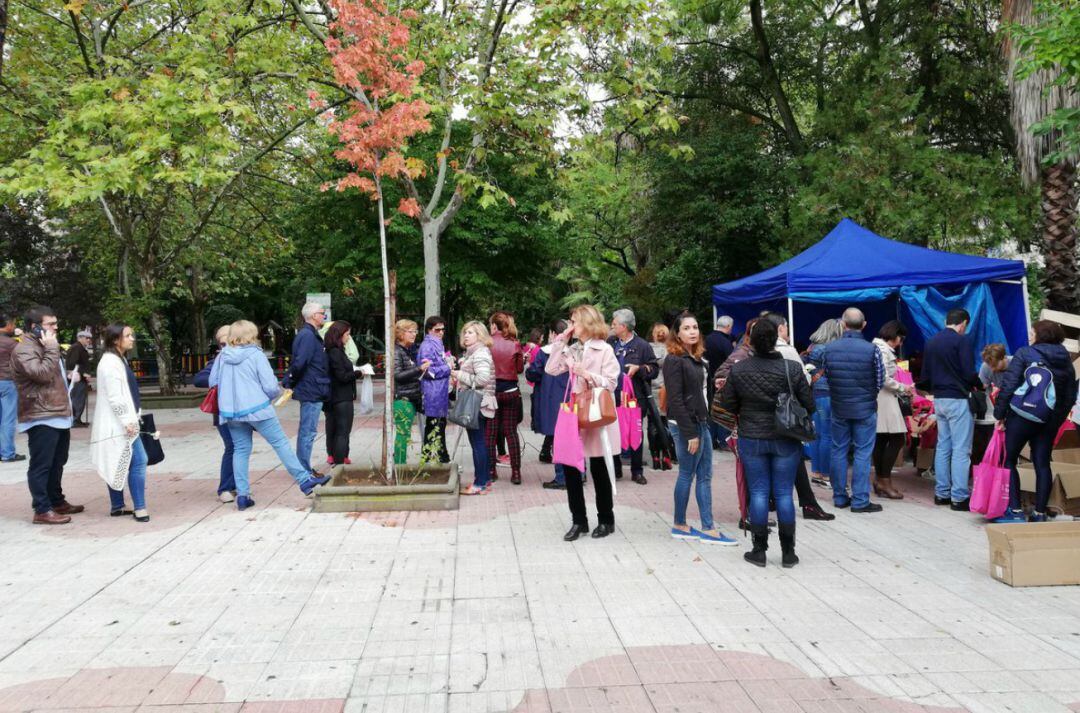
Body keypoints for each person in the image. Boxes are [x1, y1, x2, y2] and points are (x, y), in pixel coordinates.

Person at [718, 319, 813, 567]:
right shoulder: (792, 368)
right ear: (775, 340)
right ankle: (788, 553)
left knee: (758, 492)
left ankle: (759, 551)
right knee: (784, 493)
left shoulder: (739, 369)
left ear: (749, 340)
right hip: (786, 437)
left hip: (752, 436)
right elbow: (809, 403)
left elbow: (727, 404)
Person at [210, 320, 331, 510]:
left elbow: (212, 382)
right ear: (251, 334)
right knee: (280, 443)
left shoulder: (222, 357)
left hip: (231, 412)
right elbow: (269, 386)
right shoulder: (256, 355)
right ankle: (304, 480)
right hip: (257, 408)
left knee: (241, 450)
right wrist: (273, 395)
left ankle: (243, 495)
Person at [547, 305, 621, 540]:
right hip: (575, 413)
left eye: (574, 321)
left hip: (596, 412)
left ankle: (606, 519)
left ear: (588, 323)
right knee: (570, 466)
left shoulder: (605, 349)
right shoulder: (571, 349)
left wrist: (587, 374)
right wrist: (561, 341)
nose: (571, 326)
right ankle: (579, 520)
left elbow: (611, 383)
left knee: (599, 468)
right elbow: (551, 369)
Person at [993, 321, 1079, 523]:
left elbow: (1009, 385)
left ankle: (1014, 511)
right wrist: (1055, 420)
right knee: (1042, 463)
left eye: (1032, 333)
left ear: (1041, 335)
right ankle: (1040, 513)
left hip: (1021, 417)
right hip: (1048, 419)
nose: (1029, 336)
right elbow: (1069, 396)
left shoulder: (1025, 353)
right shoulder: (1066, 360)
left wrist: (999, 414)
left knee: (1009, 460)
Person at [665, 312, 738, 545]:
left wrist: (713, 384)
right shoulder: (674, 359)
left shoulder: (695, 357)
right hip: (687, 424)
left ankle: (708, 527)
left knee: (705, 475)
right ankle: (680, 524)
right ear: (677, 333)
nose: (692, 331)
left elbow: (697, 392)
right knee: (687, 473)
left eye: (695, 327)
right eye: (686, 328)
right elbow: (675, 400)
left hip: (702, 421)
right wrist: (690, 433)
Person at [11, 306, 83, 524]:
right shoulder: (24, 350)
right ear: (34, 327)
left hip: (57, 411)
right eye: (50, 324)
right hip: (41, 414)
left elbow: (51, 373)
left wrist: (68, 374)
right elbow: (41, 374)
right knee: (42, 464)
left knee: (58, 460)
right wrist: (52, 348)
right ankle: (42, 509)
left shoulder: (45, 346)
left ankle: (56, 500)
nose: (55, 327)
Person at [760, 313, 835, 521]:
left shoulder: (755, 352)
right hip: (786, 413)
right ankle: (807, 504)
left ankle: (789, 501)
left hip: (764, 414)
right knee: (794, 456)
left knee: (787, 458)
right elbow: (802, 381)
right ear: (781, 329)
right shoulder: (787, 350)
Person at [820, 307, 885, 513]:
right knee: (862, 453)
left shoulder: (828, 349)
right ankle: (860, 500)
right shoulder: (872, 349)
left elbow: (827, 377)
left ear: (843, 324)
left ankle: (839, 497)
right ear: (864, 325)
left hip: (839, 405)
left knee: (838, 450)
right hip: (865, 407)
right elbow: (880, 380)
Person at [921, 308, 981, 510]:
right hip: (958, 398)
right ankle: (959, 497)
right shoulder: (961, 341)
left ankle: (941, 493)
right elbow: (968, 372)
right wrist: (979, 384)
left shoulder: (932, 341)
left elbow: (925, 376)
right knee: (961, 449)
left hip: (939, 399)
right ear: (963, 323)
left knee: (943, 446)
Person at [90, 323, 150, 522]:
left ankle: (117, 506)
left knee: (117, 461)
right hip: (119, 422)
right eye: (128, 335)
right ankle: (140, 508)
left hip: (122, 420)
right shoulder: (110, 363)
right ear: (115, 339)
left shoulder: (118, 359)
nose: (132, 338)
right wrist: (127, 421)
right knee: (139, 460)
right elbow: (115, 396)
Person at [608, 308, 659, 484]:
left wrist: (640, 369)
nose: (611, 326)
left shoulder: (642, 345)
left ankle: (637, 471)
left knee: (636, 432)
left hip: (635, 398)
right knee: (613, 432)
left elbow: (654, 370)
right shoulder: (611, 342)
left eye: (614, 324)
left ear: (623, 326)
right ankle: (615, 469)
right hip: (613, 396)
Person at [282, 302, 329, 475]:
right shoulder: (308, 336)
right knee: (308, 431)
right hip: (311, 388)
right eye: (322, 313)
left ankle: (304, 467)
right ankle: (303, 470)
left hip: (313, 387)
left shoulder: (309, 334)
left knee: (308, 430)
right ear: (313, 315)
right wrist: (291, 381)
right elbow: (300, 362)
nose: (324, 316)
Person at [452, 321, 497, 495]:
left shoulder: (480, 353)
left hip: (477, 403)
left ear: (480, 335)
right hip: (480, 402)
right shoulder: (476, 352)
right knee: (480, 443)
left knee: (478, 444)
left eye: (470, 332)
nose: (466, 335)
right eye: (465, 332)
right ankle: (484, 481)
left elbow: (483, 379)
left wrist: (459, 374)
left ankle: (480, 484)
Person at [193, 326, 237, 502]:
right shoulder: (219, 360)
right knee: (232, 446)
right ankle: (225, 487)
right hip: (223, 413)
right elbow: (199, 379)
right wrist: (221, 378)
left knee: (240, 447)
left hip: (241, 411)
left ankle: (235, 484)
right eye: (222, 343)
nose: (225, 346)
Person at [526, 319, 570, 489]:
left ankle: (561, 477)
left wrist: (529, 367)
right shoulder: (573, 352)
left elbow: (533, 374)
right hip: (570, 398)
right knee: (572, 437)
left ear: (552, 334)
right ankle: (579, 472)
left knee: (557, 438)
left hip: (550, 398)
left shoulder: (545, 353)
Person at [871, 320, 909, 499]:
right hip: (885, 398)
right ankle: (884, 480)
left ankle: (881, 480)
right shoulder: (883, 350)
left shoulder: (876, 347)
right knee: (896, 438)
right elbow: (884, 377)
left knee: (881, 439)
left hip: (880, 397)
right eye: (901, 338)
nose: (901, 342)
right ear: (895, 336)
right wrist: (902, 387)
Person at [487, 312, 525, 483]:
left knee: (491, 433)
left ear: (494, 326)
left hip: (492, 392)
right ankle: (516, 472)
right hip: (511, 392)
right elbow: (519, 369)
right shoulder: (515, 344)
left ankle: (491, 471)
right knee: (511, 432)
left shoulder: (486, 344)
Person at [805, 319, 843, 486]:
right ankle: (827, 475)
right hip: (827, 393)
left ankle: (817, 472)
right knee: (827, 436)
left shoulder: (812, 347)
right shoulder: (828, 349)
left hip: (814, 393)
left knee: (817, 435)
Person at [417, 316, 452, 463]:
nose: (441, 332)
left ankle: (436, 457)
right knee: (434, 425)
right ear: (429, 330)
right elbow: (427, 371)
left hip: (440, 391)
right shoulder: (427, 346)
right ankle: (439, 457)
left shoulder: (437, 343)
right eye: (437, 330)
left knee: (437, 425)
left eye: (443, 329)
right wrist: (447, 368)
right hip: (433, 392)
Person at [393, 319, 428, 465]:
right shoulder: (396, 351)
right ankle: (399, 467)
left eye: (415, 331)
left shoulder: (410, 350)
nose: (414, 334)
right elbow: (398, 376)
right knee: (403, 434)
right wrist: (419, 368)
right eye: (411, 331)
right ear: (401, 333)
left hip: (414, 397)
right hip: (403, 399)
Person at [324, 321, 358, 468]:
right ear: (339, 335)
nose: (348, 338)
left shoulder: (333, 351)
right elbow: (342, 376)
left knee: (335, 429)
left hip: (335, 396)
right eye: (347, 334)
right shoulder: (335, 353)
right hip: (341, 396)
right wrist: (358, 373)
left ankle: (336, 458)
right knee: (342, 431)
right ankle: (339, 463)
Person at [704, 316, 735, 448]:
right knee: (723, 409)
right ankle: (723, 440)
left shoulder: (706, 339)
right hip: (723, 381)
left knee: (712, 409)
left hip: (708, 379)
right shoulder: (725, 343)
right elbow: (732, 362)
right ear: (728, 327)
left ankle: (711, 439)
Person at [0, 313, 25, 463]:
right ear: (8, 324)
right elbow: (23, 357)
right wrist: (21, 336)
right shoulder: (11, 343)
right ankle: (8, 453)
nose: (14, 327)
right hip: (7, 383)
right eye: (14, 324)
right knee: (8, 420)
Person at [647, 323, 672, 471]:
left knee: (652, 424)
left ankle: (655, 456)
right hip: (666, 390)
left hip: (651, 391)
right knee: (665, 423)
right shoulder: (671, 350)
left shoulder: (647, 349)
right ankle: (667, 455)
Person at [65, 330, 93, 427]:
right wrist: (84, 373)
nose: (88, 340)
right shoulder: (77, 347)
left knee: (80, 399)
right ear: (80, 338)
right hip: (77, 378)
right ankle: (75, 420)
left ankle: (77, 419)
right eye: (86, 338)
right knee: (77, 399)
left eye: (89, 338)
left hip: (79, 377)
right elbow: (72, 364)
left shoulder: (79, 347)